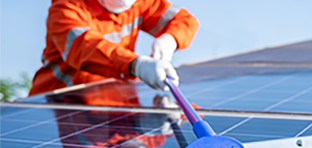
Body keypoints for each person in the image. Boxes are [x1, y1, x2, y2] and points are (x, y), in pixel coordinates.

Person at [29, 0, 199, 96]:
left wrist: (170, 40)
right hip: (57, 101)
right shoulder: (67, 7)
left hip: (114, 102)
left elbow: (184, 20)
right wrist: (135, 65)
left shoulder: (140, 4)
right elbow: (83, 47)